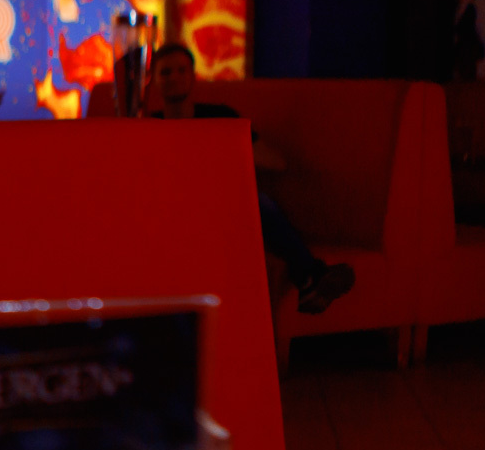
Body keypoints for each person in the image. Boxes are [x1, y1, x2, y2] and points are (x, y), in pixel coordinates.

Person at [149, 43, 354, 315]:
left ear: (193, 76)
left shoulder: (221, 119)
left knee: (257, 202)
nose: (174, 78)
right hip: (173, 214)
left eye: (181, 70)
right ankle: (310, 280)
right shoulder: (147, 127)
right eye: (166, 72)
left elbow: (277, 162)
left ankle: (308, 279)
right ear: (153, 80)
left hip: (221, 210)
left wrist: (223, 149)